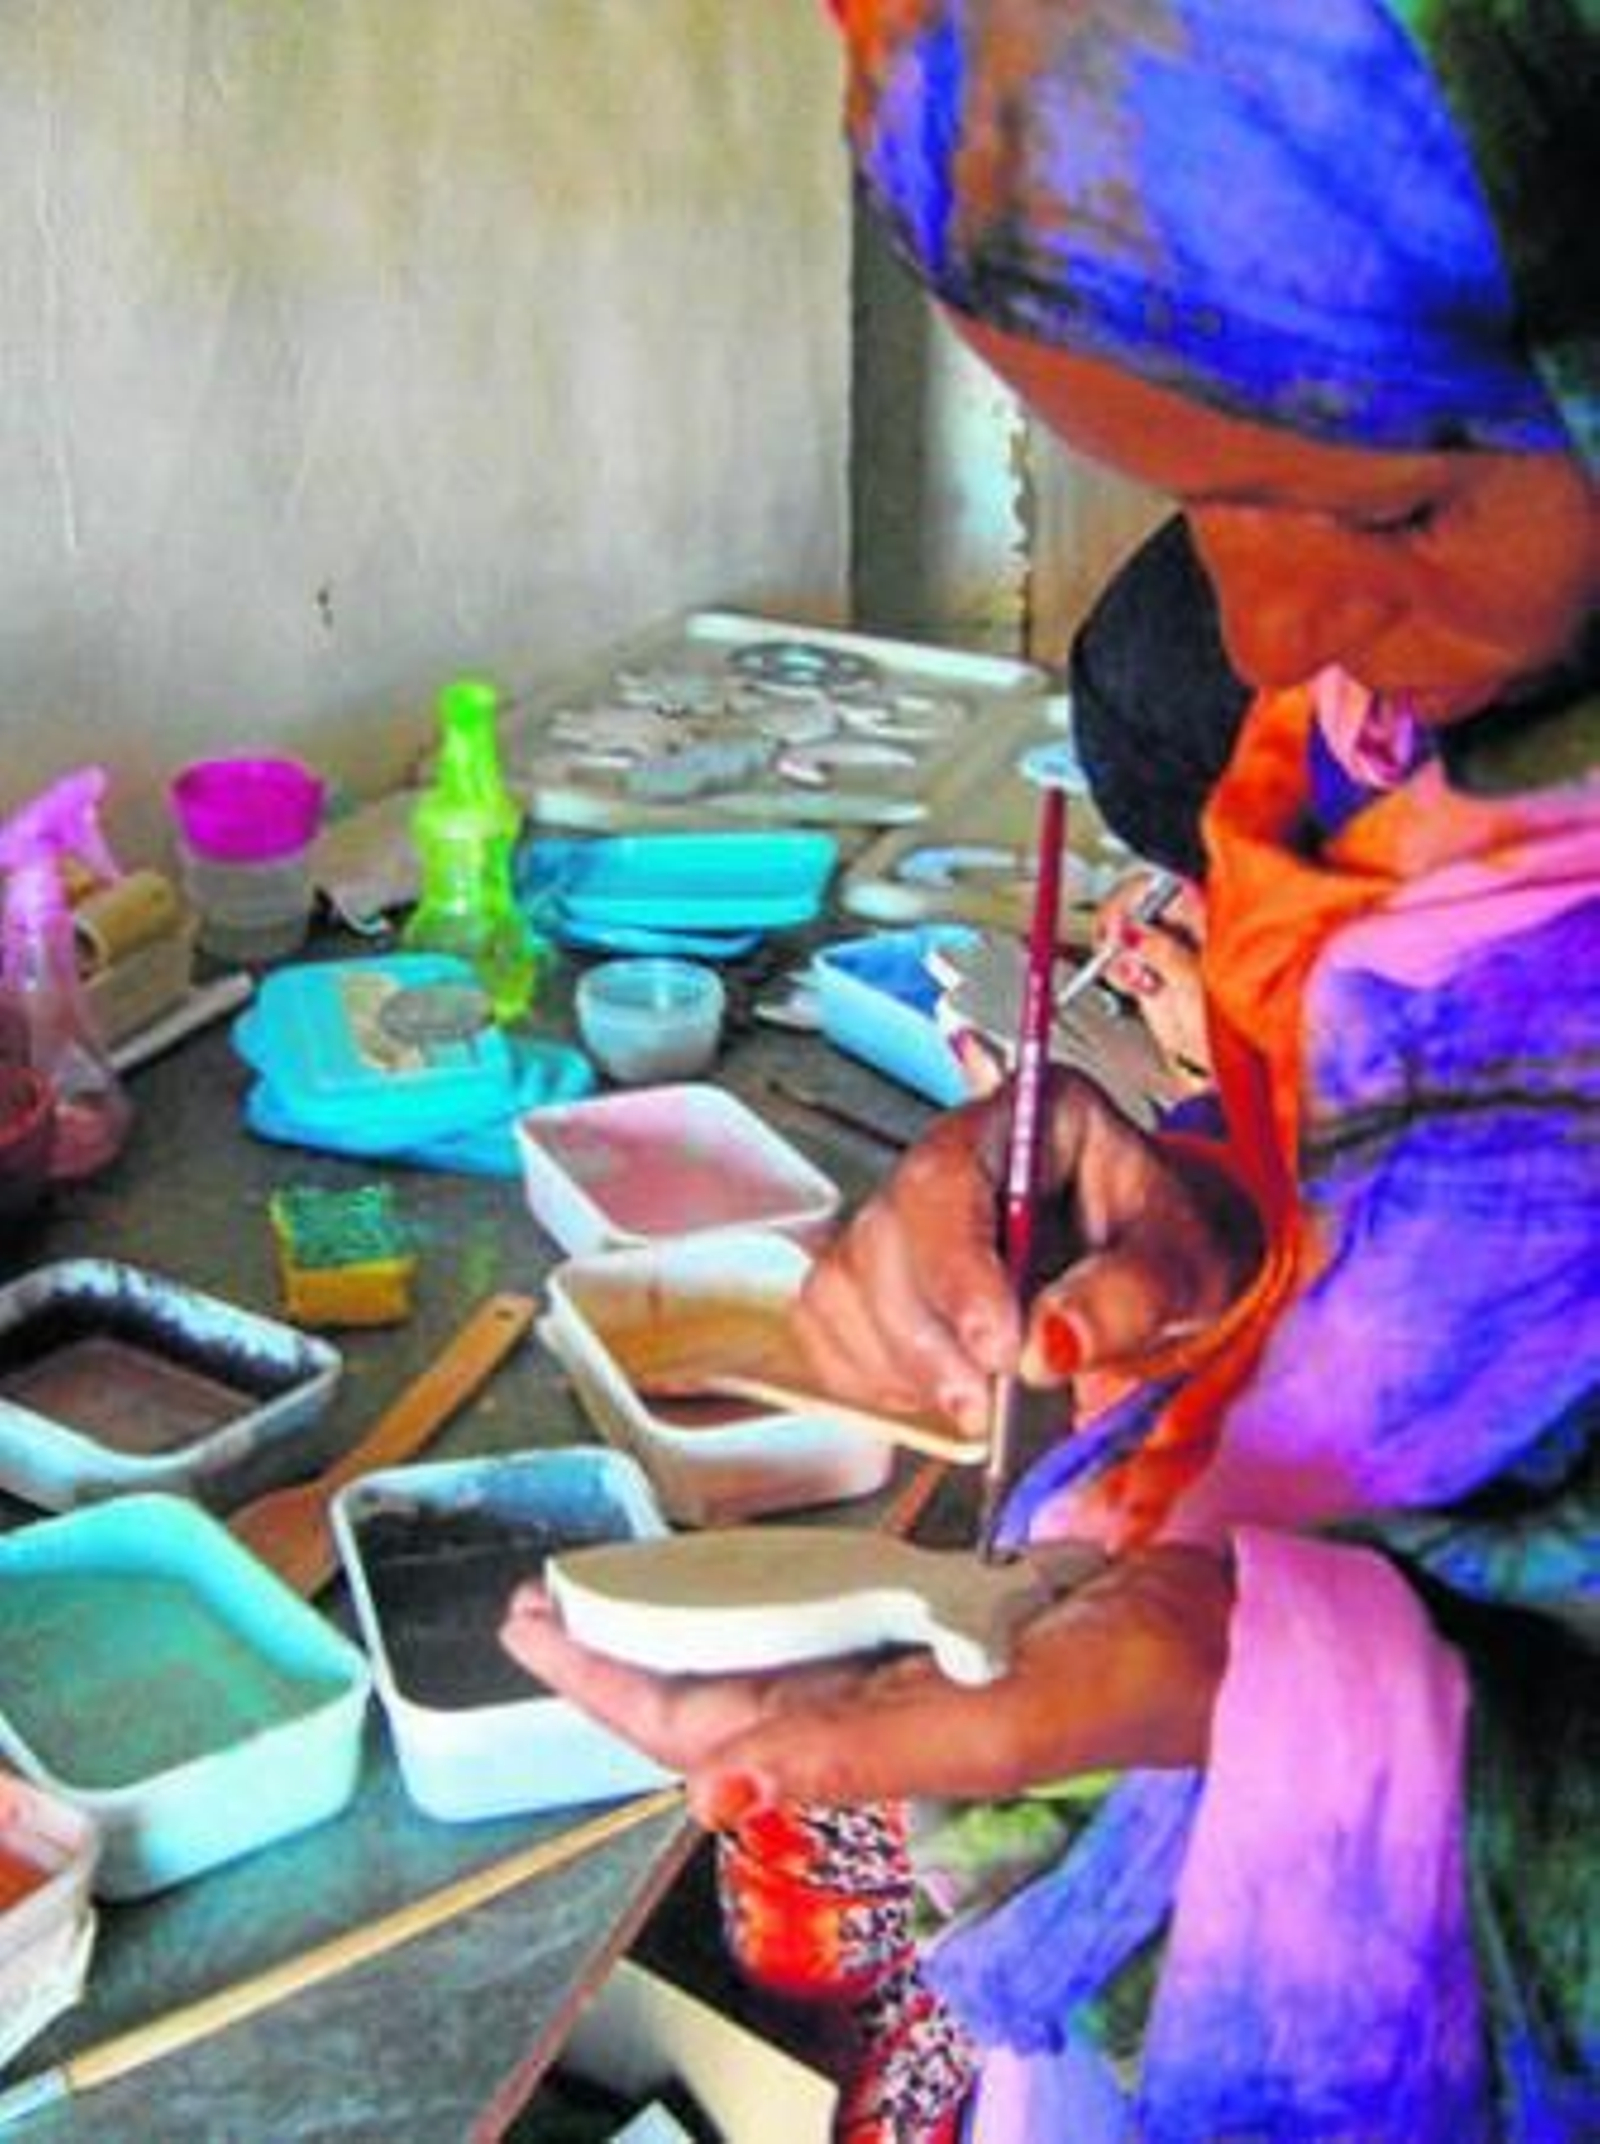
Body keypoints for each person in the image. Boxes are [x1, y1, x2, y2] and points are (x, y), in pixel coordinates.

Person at [503, 4, 1600, 2135]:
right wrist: (1216, 1211)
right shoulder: (1420, 753)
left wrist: (1255, 1683)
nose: (1268, 638)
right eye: (1185, 497)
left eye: (1378, 505)